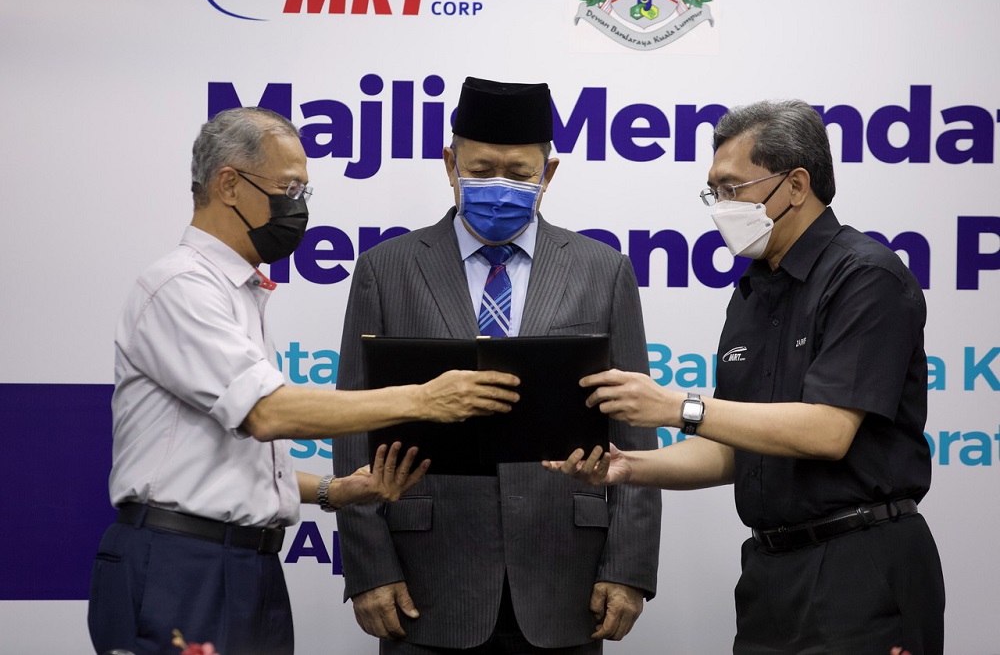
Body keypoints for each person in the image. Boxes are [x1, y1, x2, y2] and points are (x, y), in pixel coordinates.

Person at [88, 106, 521, 655]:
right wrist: (426, 399)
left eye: (303, 192)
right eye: (289, 187)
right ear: (228, 184)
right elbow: (268, 413)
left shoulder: (237, 292)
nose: (298, 206)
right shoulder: (181, 287)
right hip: (181, 565)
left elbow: (219, 461)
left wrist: (333, 490)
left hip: (246, 564)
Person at [547, 99, 945, 655]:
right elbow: (732, 452)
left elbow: (828, 432)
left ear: (796, 185)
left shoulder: (866, 277)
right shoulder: (754, 292)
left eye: (732, 188)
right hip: (768, 574)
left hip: (861, 565)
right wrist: (628, 467)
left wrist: (676, 407)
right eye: (713, 191)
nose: (720, 207)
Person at [332, 77, 662, 654]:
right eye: (481, 170)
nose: (499, 186)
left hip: (565, 576)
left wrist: (628, 569)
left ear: (548, 174)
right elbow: (352, 422)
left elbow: (634, 430)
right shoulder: (387, 270)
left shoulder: (603, 270)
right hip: (428, 579)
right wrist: (369, 568)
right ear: (450, 164)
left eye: (518, 172)